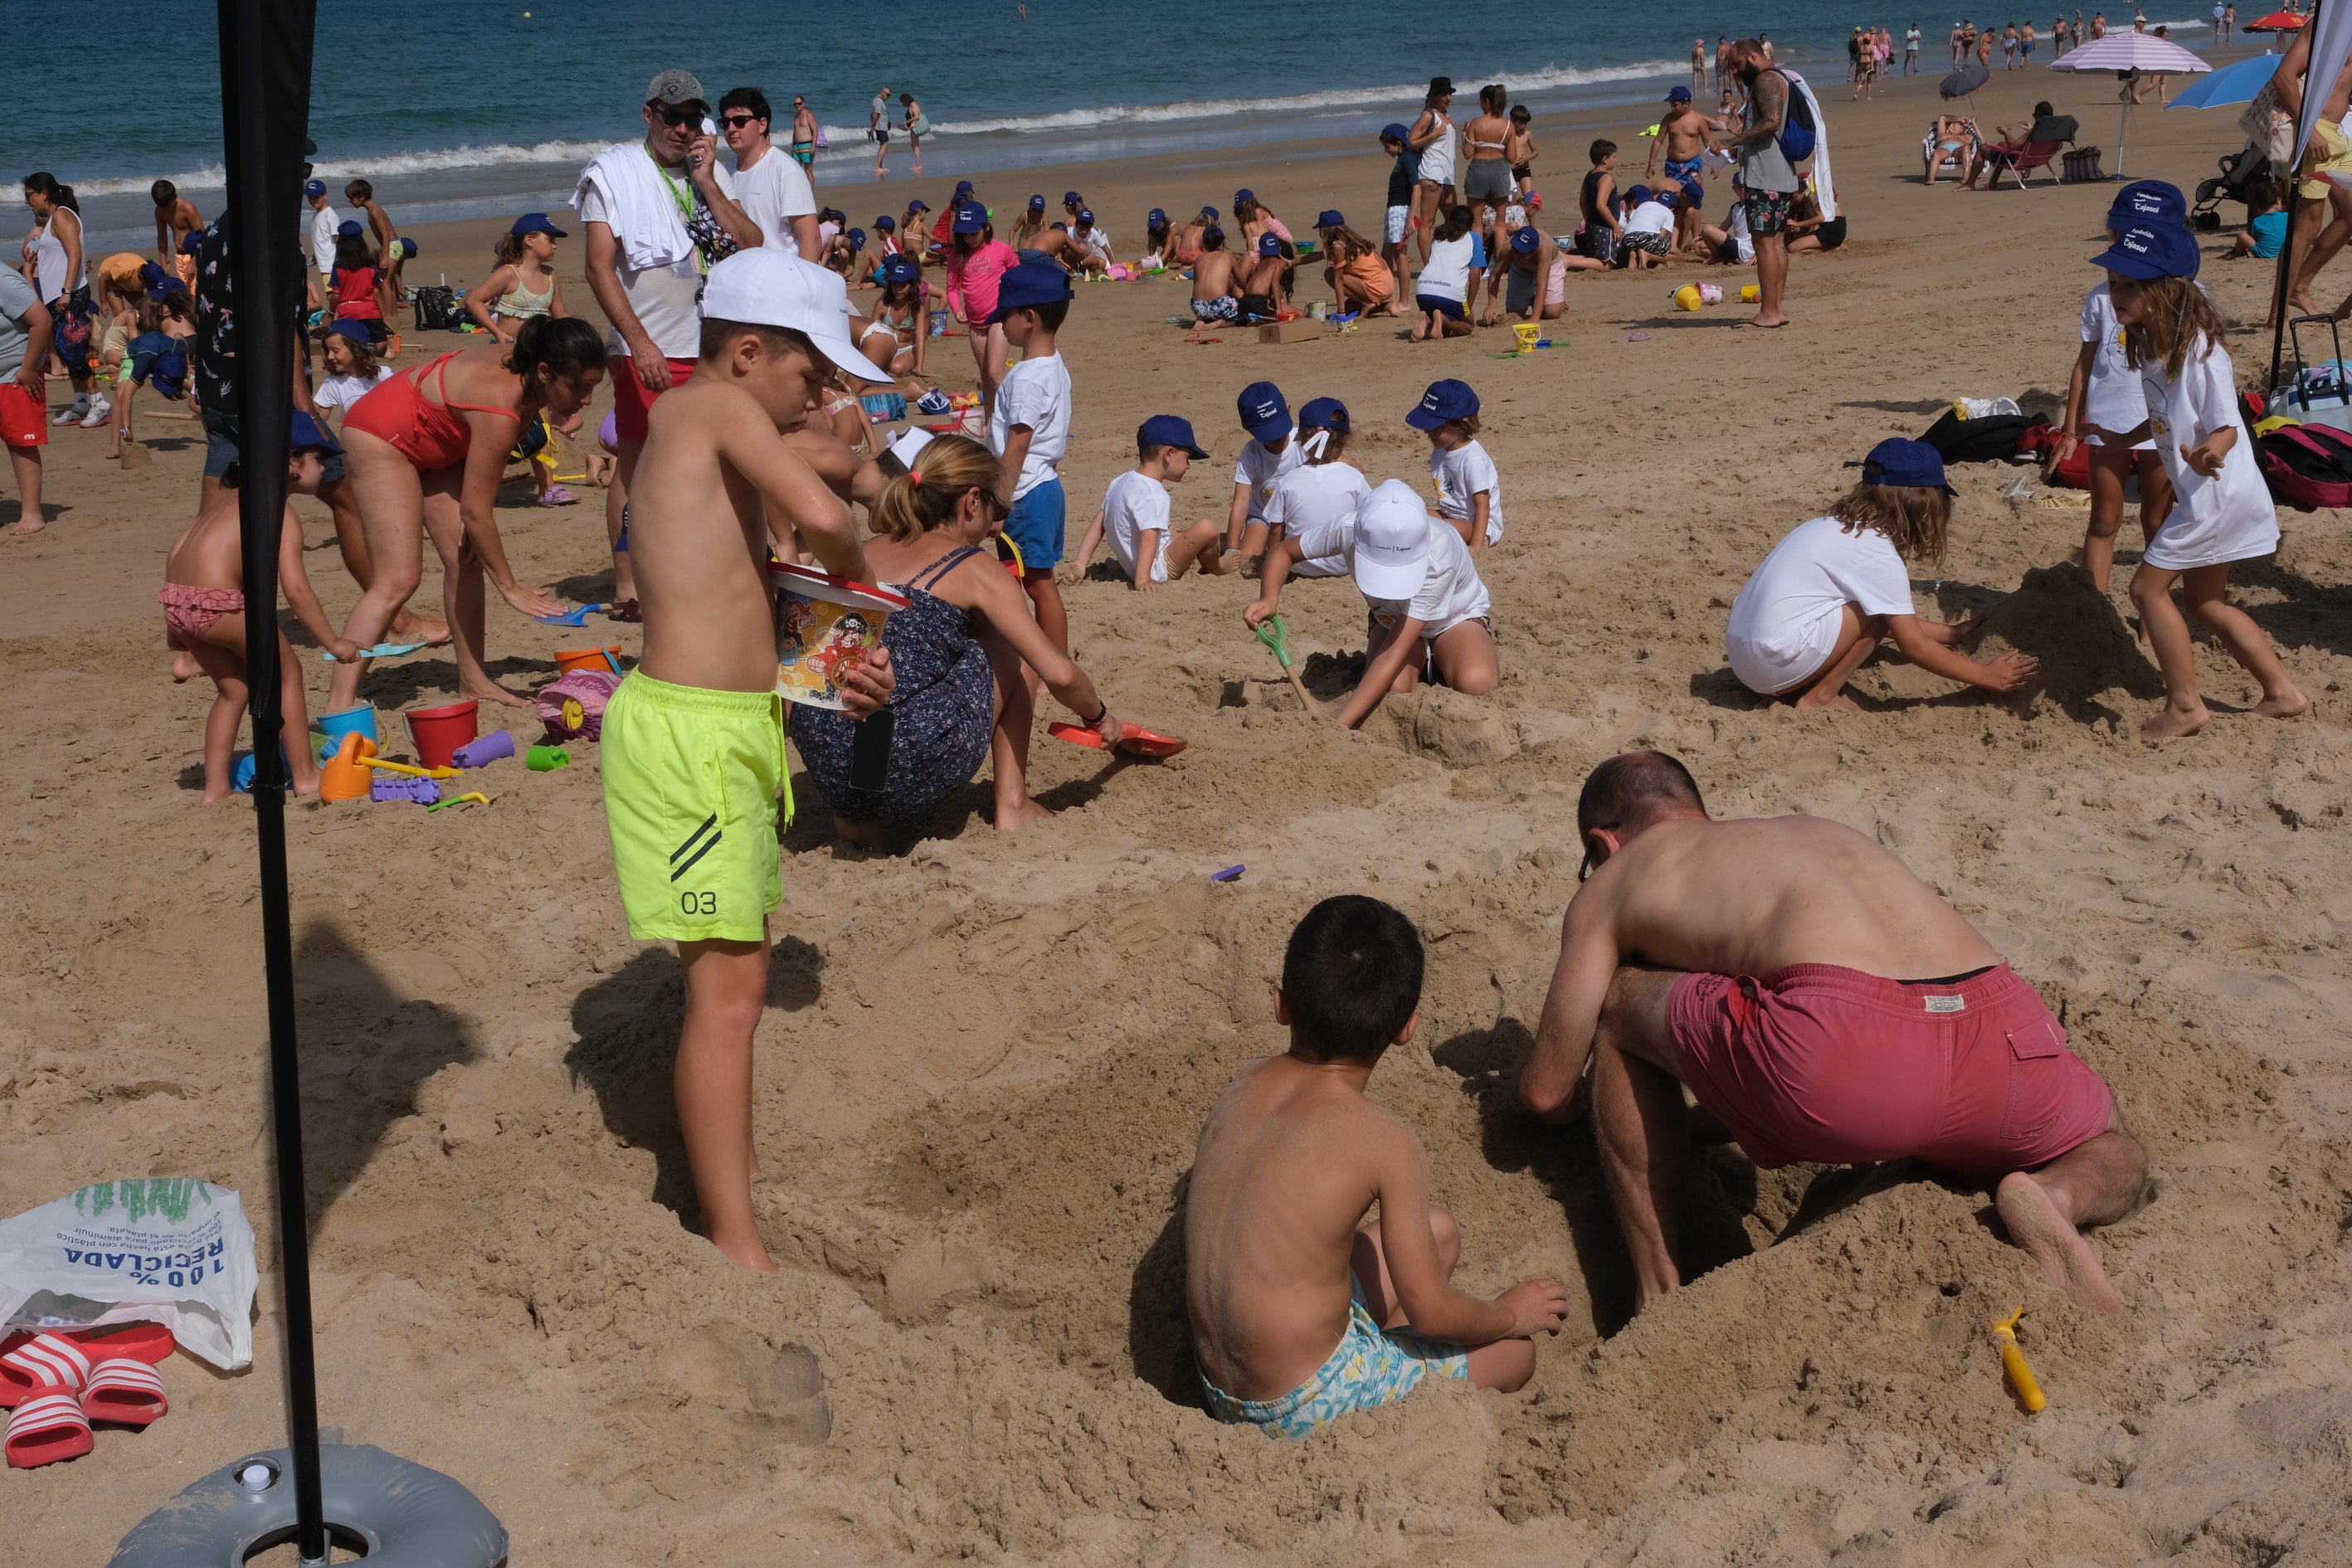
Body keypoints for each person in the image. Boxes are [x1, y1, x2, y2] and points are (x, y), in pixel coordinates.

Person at [1510, 751, 2148, 1315]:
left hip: (1849, 1056)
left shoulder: (1622, 874)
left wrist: (1571, 1110)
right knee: (2111, 1141)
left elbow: (1546, 1092)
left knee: (1620, 1002)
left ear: (1603, 844)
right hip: (2001, 1026)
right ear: (1696, 812)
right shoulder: (1812, 833)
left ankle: (1659, 1295)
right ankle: (2057, 1195)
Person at [599, 249, 894, 1274]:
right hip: (685, 736)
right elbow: (826, 519)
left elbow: (742, 601)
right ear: (750, 352)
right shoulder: (712, 406)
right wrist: (857, 574)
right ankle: (734, 1243)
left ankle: (734, 1190)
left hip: (726, 726)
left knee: (738, 980)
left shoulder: (715, 439)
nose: (818, 400)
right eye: (811, 378)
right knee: (729, 996)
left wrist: (832, 662)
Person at [1187, 894, 1568, 1439]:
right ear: (1405, 1028)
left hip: (1222, 1383)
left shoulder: (1242, 1084)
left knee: (1436, 1231)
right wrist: (1509, 1313)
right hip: (1305, 1406)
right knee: (1514, 1356)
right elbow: (1434, 1312)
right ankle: (1385, 1373)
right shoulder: (1385, 1140)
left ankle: (1384, 1354)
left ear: (1281, 1005)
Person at [787, 433, 1128, 842]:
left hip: (825, 760)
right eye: (994, 510)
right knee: (1013, 641)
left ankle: (858, 821)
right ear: (971, 501)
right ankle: (1013, 803)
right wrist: (1100, 717)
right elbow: (1059, 675)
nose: (994, 527)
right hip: (906, 764)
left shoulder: (863, 550)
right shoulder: (974, 567)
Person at [2084, 222, 2308, 741]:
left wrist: (2209, 452)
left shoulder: (2203, 353)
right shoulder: (2153, 349)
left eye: (2128, 286)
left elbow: (2228, 424)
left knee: (2145, 589)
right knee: (2207, 604)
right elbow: (2166, 418)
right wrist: (2124, 440)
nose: (2115, 295)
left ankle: (2185, 705)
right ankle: (2282, 692)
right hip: (2210, 493)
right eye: (2113, 283)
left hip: (2216, 493)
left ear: (2167, 291)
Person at [324, 318, 606, 713]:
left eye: (593, 387)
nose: (587, 399)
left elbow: (477, 506)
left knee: (465, 559)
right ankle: (339, 701)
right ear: (545, 372)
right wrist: (511, 588)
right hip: (379, 436)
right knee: (397, 579)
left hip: (439, 438)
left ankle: (473, 681)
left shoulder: (528, 369)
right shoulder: (501, 405)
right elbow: (477, 514)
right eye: (579, 386)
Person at [577, 68, 761, 618]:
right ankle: (629, 586)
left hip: (710, 346)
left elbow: (751, 245)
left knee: (714, 462)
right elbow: (597, 267)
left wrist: (706, 184)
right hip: (648, 349)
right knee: (638, 467)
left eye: (692, 119)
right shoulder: (613, 173)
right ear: (649, 115)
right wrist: (640, 344)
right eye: (671, 117)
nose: (682, 129)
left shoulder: (709, 173)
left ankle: (695, 564)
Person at [1725, 440, 2037, 709]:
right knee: (1874, 610)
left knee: (1871, 605)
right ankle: (1820, 698)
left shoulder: (1828, 526)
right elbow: (1911, 644)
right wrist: (1984, 675)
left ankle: (1803, 684)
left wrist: (1950, 634)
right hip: (1771, 666)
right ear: (1925, 504)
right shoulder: (1876, 551)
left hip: (1744, 658)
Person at [161, 412, 361, 801]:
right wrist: (333, 643)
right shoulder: (277, 510)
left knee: (235, 691)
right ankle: (305, 776)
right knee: (288, 673)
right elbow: (297, 590)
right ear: (290, 463)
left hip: (176, 600)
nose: (323, 467)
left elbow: (176, 551)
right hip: (217, 606)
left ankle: (215, 788)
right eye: (318, 459)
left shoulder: (227, 501)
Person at [1245, 478, 1497, 728]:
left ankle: (1446, 656)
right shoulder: (1348, 529)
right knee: (1394, 688)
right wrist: (1269, 598)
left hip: (1453, 618)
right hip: (1390, 618)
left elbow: (1394, 652)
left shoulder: (1439, 557)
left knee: (1477, 682)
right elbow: (1283, 552)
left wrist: (1339, 725)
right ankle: (1425, 662)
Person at [2048, 181, 2179, 592]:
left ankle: (2152, 610)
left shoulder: (2180, 300)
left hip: (2161, 421)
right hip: (2106, 422)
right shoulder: (2101, 299)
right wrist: (2070, 430)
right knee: (2104, 519)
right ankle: (2094, 608)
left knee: (2157, 520)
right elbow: (2085, 366)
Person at [987, 261, 1076, 655]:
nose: (1000, 323)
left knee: (1039, 585)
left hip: (1024, 494)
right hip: (1044, 487)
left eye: (1004, 314)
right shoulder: (1052, 365)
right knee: (1034, 581)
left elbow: (1017, 448)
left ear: (1029, 318)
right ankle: (1043, 658)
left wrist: (997, 505)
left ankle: (1050, 667)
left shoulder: (1025, 379)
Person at [1069, 415, 1234, 589]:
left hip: (1133, 565)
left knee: (1178, 533)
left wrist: (1080, 562)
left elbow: (1100, 521)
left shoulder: (1120, 481)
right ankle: (1218, 566)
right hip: (1156, 569)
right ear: (1169, 454)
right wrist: (1143, 580)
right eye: (1187, 457)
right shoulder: (1154, 494)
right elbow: (1148, 537)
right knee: (1207, 529)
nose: (1188, 466)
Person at [1723, 39, 1798, 327]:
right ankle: (1775, 310)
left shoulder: (1767, 79)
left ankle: (1769, 312)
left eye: (1738, 65)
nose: (1735, 73)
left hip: (1766, 175)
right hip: (1779, 174)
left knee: (1764, 244)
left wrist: (1733, 140)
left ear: (1753, 56)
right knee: (1776, 243)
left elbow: (1771, 121)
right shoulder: (1779, 78)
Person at [22, 174, 101, 430]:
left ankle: (99, 403)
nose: (27, 201)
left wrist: (67, 290)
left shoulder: (63, 215)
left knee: (73, 350)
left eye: (29, 195)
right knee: (66, 350)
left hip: (69, 293)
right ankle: (81, 403)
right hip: (56, 295)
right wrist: (31, 252)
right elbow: (33, 249)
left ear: (44, 193)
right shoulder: (47, 223)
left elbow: (75, 253)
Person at [1259, 397, 1368, 578]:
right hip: (1343, 566)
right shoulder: (1355, 478)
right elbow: (1368, 520)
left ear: (1302, 440)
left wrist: (1274, 561)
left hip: (1299, 565)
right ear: (1345, 440)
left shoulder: (1288, 480)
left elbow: (1276, 532)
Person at [721, 87, 820, 257]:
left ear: (762, 124)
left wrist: (801, 282)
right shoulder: (724, 173)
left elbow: (812, 239)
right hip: (739, 276)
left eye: (740, 121)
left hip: (782, 276)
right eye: (725, 122)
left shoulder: (785, 170)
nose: (731, 128)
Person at [1414, 379, 1502, 553]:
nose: (1427, 432)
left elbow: (1483, 505)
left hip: (1479, 525)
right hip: (1451, 515)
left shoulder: (1472, 458)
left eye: (1434, 427)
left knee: (1442, 530)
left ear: (1460, 425)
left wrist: (1476, 546)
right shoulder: (1440, 451)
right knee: (1415, 515)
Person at [945, 201, 1020, 405]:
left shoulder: (1002, 250)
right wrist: (957, 309)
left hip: (1000, 318)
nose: (968, 238)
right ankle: (990, 424)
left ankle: (1012, 414)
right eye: (964, 234)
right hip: (976, 324)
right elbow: (952, 288)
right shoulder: (957, 255)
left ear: (986, 227)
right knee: (985, 378)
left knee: (995, 371)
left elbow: (1017, 276)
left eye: (973, 233)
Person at [106, 294, 195, 461]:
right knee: (121, 393)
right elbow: (127, 396)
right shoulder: (143, 362)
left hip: (162, 352)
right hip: (134, 355)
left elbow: (179, 337)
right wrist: (127, 426)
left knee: (192, 382)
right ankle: (115, 442)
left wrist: (187, 365)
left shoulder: (178, 351)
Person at [0, 261, 51, 535]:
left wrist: (30, 368)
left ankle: (32, 514)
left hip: (14, 373)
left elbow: (42, 321)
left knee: (20, 443)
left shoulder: (4, 281)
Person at [1226, 380, 1303, 562]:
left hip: (1297, 515)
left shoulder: (1303, 440)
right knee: (1247, 557)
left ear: (1289, 409)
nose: (1276, 437)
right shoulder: (1251, 453)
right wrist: (1231, 549)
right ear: (1247, 428)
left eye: (1279, 428)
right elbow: (1241, 504)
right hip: (1263, 516)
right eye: (1268, 433)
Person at [466, 213, 571, 343]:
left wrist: (573, 331)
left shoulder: (550, 275)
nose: (555, 246)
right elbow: (473, 300)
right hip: (509, 345)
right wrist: (497, 332)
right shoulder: (508, 273)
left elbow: (560, 314)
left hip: (540, 346)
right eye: (550, 240)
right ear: (529, 241)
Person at [1647, 87, 1717, 251]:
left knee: (1693, 200)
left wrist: (1714, 164)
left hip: (1693, 165)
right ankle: (1674, 238)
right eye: (1671, 104)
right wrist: (1651, 163)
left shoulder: (1698, 119)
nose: (1672, 107)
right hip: (1673, 165)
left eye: (1675, 104)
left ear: (1687, 103)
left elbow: (1708, 143)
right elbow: (1658, 141)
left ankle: (1696, 237)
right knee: (1675, 201)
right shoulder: (1668, 120)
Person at [1483, 225, 1580, 326]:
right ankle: (1544, 299)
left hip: (1551, 266)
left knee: (1551, 313)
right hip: (1520, 269)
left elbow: (1542, 283)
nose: (1516, 254)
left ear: (1533, 251)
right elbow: (1494, 276)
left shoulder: (1544, 248)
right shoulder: (1508, 247)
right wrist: (1492, 304)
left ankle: (1557, 299)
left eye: (1521, 252)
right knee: (1514, 314)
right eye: (1515, 249)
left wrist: (1534, 318)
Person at [1461, 84, 1517, 255]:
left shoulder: (1476, 123)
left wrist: (1464, 137)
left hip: (1479, 169)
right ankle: (1500, 267)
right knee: (1500, 222)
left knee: (1476, 222)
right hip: (1499, 169)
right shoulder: (1508, 125)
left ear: (1486, 102)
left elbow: (1468, 153)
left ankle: (1477, 263)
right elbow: (1512, 157)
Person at [1407, 79, 1457, 263]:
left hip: (1447, 176)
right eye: (1444, 94)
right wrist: (1432, 136)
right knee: (1427, 222)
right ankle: (1428, 264)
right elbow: (1410, 142)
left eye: (1450, 94)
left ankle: (1448, 260)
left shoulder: (1446, 114)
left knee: (1455, 222)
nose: (1448, 97)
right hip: (1431, 174)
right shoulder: (1428, 115)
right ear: (1434, 96)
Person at [857, 255, 930, 379]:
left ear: (911, 285)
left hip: (907, 348)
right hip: (885, 349)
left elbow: (920, 339)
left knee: (896, 368)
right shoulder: (883, 305)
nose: (898, 288)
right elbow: (870, 333)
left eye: (903, 285)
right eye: (895, 284)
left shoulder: (917, 309)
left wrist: (920, 368)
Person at [1412, 207, 1477, 340]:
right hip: (1450, 292)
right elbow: (1475, 275)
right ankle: (1441, 318)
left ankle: (1427, 319)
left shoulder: (1439, 235)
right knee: (1468, 325)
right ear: (1471, 225)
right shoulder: (1473, 237)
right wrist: (1469, 305)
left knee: (1445, 331)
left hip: (1423, 290)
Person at [324, 224, 393, 347]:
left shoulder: (339, 267)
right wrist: (384, 317)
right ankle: (373, 347)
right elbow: (376, 293)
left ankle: (362, 347)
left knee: (348, 343)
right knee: (382, 346)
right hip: (369, 311)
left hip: (347, 312)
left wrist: (330, 314)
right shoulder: (370, 266)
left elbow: (336, 295)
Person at [1317, 213, 1399, 316]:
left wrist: (1341, 312)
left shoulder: (1338, 246)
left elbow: (1339, 280)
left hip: (1376, 286)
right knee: (1350, 309)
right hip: (1387, 284)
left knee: (1330, 274)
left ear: (1325, 232)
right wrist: (1295, 262)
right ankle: (1387, 306)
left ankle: (1366, 302)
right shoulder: (1352, 241)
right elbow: (1321, 255)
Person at [1377, 124, 1422, 304]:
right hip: (1393, 209)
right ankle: (1385, 295)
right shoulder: (1402, 159)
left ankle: (1404, 301)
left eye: (1387, 147)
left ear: (1398, 143)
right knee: (1386, 254)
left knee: (1399, 255)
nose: (1386, 151)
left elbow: (1417, 188)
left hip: (1401, 210)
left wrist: (1411, 217)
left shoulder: (1408, 158)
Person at [1577, 139, 1624, 267]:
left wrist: (1589, 219)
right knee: (1606, 265)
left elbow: (1582, 202)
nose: (1616, 160)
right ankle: (1569, 261)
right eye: (1614, 157)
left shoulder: (1589, 175)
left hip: (1592, 224)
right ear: (1605, 159)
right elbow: (1600, 205)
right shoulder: (1606, 178)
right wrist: (1615, 226)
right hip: (1604, 227)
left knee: (1596, 257)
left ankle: (1570, 259)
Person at [151, 180, 203, 288]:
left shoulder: (187, 208)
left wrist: (194, 263)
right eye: (163, 206)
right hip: (179, 256)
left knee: (195, 294)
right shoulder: (160, 211)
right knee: (184, 293)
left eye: (168, 205)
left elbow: (203, 236)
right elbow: (162, 238)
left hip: (194, 255)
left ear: (175, 196)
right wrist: (163, 264)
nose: (167, 209)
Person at [1188, 226, 1241, 324]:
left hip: (1197, 306)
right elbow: (1242, 283)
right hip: (1219, 306)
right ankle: (1220, 323)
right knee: (1242, 312)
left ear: (1204, 243)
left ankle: (1201, 320)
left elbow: (1195, 283)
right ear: (1222, 242)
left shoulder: (1198, 260)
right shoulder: (1228, 257)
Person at [1619, 186, 1680, 268]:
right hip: (1648, 238)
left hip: (1627, 238)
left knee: (1638, 244)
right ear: (1672, 208)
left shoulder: (1644, 205)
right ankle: (1648, 256)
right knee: (1679, 256)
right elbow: (1662, 235)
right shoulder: (1669, 213)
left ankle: (1633, 254)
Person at [1507, 105, 1540, 201]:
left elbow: (1536, 152)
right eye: (1521, 123)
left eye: (1525, 123)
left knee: (1529, 199)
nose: (1523, 126)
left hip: (1524, 169)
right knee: (1511, 201)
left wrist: (1528, 157)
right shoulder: (1507, 134)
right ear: (1512, 120)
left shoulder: (1527, 134)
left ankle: (1531, 215)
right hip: (1510, 171)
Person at [899, 93, 930, 177]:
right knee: (914, 145)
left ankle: (918, 165)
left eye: (903, 102)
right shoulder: (912, 105)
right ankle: (917, 165)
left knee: (916, 146)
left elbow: (916, 116)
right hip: (912, 127)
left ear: (906, 100)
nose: (903, 104)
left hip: (915, 126)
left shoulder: (913, 105)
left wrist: (906, 122)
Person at [870, 84, 894, 178]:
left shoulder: (879, 101)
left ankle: (880, 166)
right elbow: (876, 114)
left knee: (883, 145)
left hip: (883, 126)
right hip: (880, 127)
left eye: (889, 96)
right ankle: (877, 167)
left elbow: (873, 113)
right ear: (883, 92)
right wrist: (872, 127)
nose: (888, 97)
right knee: (885, 144)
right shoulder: (878, 101)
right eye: (887, 95)